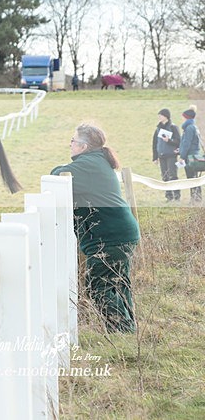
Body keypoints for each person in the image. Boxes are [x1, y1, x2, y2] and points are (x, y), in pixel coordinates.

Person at [51, 124, 140, 333]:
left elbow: (58, 174)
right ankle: (128, 330)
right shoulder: (97, 161)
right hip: (119, 233)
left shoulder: (88, 165)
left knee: (97, 285)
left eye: (73, 141)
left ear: (83, 146)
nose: (70, 144)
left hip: (109, 237)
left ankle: (121, 330)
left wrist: (58, 169)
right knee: (118, 283)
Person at [152, 108, 181, 202]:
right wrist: (155, 157)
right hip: (161, 156)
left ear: (166, 116)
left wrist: (169, 141)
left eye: (161, 115)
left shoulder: (173, 127)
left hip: (171, 155)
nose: (159, 117)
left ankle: (177, 196)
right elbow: (155, 143)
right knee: (165, 176)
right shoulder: (158, 129)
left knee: (173, 176)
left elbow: (178, 141)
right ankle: (169, 197)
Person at [176, 105, 202, 203]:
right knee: (194, 178)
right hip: (194, 155)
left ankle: (195, 199)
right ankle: (196, 198)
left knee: (191, 178)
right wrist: (180, 150)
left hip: (190, 157)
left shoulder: (189, 128)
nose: (182, 119)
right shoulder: (193, 127)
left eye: (183, 117)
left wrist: (182, 156)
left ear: (186, 117)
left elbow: (187, 143)